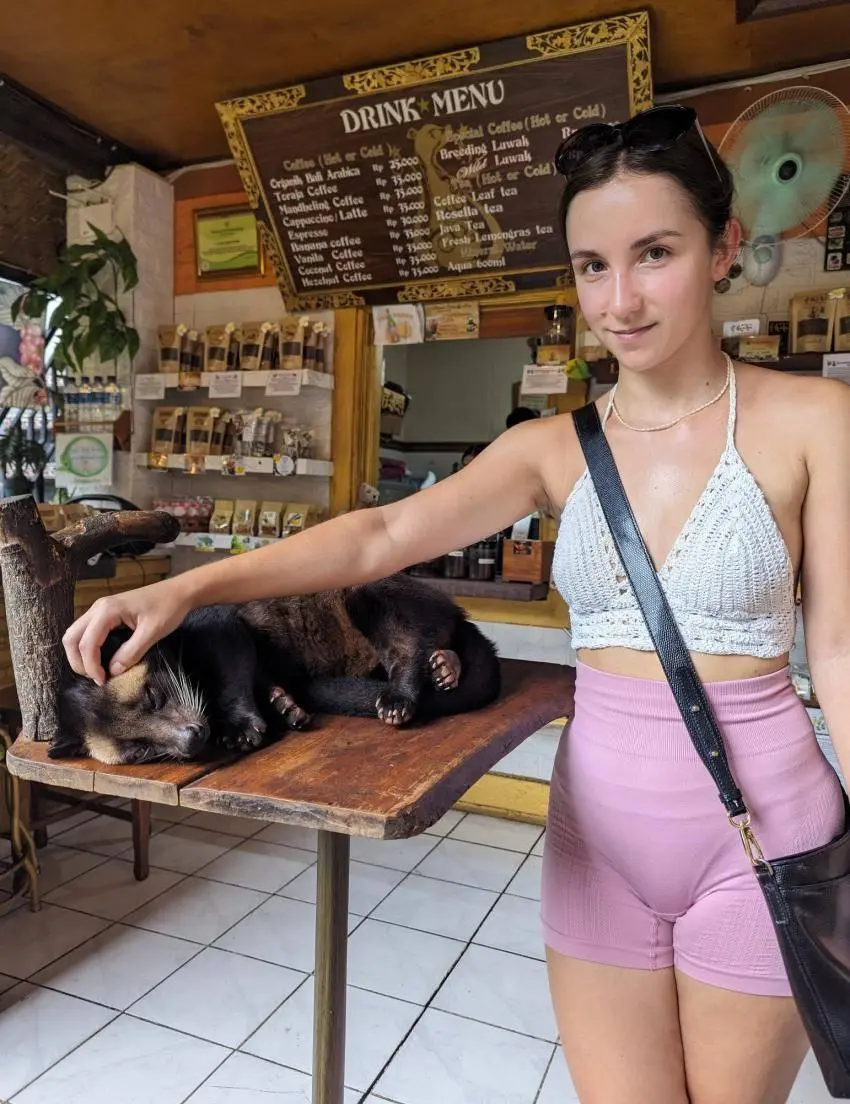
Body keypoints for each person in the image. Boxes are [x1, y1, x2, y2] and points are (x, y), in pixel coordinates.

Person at [63, 104, 850, 1103]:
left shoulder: (818, 421)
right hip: (598, 837)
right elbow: (379, 536)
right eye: (592, 265)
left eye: (654, 253)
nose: (620, 299)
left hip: (764, 833)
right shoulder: (550, 448)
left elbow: (840, 648)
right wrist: (186, 587)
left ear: (723, 246)